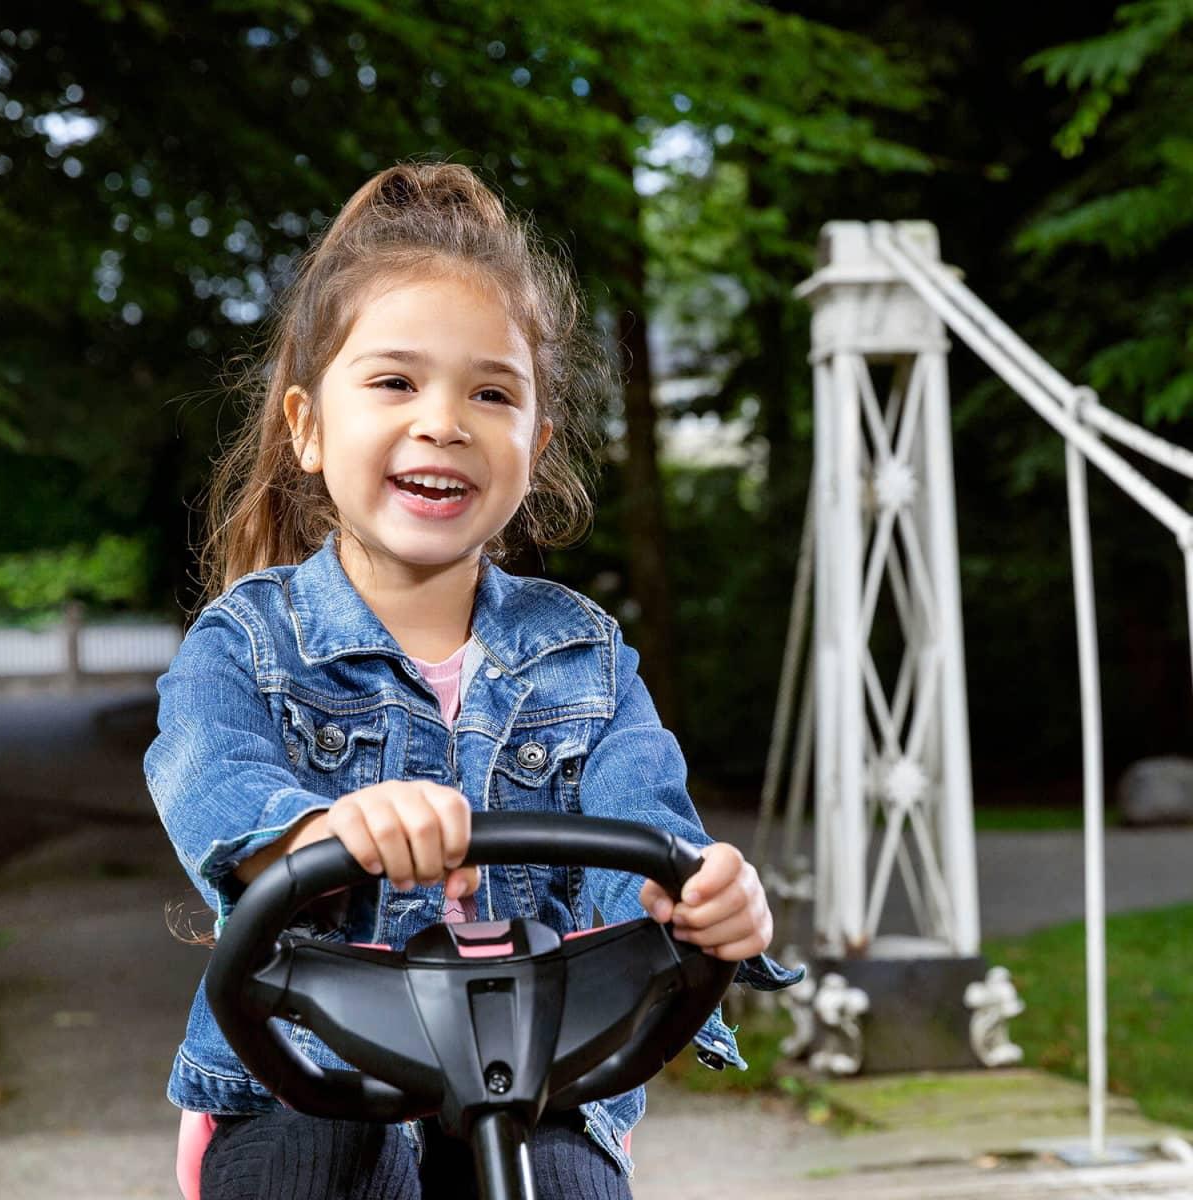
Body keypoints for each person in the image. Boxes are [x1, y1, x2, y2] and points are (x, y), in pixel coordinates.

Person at [145, 162, 799, 1200]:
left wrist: (702, 898)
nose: (444, 420)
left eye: (490, 392)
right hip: (309, 1084)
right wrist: (324, 832)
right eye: (397, 382)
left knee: (563, 1182)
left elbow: (644, 831)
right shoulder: (243, 646)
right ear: (309, 428)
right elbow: (215, 793)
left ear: (533, 450)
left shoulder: (586, 657)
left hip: (540, 1080)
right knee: (315, 1170)